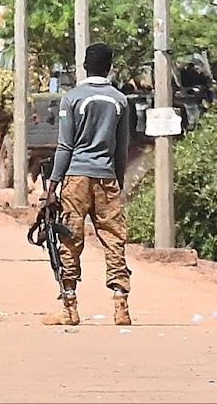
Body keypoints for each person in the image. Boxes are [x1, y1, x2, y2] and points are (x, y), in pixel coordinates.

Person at [43, 42, 132, 327]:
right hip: (106, 177)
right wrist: (117, 179)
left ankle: (69, 306)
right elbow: (122, 147)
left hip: (75, 179)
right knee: (114, 238)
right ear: (110, 67)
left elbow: (65, 146)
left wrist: (53, 183)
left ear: (84, 66)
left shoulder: (73, 98)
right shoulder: (120, 101)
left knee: (70, 238)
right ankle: (121, 306)